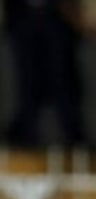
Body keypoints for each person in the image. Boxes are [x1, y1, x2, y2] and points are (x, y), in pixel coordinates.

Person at [2, 0, 88, 146]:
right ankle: (26, 134)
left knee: (63, 80)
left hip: (55, 18)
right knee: (28, 81)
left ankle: (73, 135)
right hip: (22, 17)